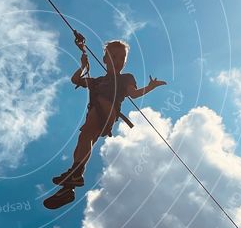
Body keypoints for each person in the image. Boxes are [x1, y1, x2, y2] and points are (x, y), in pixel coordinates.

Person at [44, 39, 166, 209]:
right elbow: (75, 79)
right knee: (84, 139)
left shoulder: (125, 78)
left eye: (121, 58)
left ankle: (75, 174)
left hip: (107, 111)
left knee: (86, 136)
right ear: (105, 60)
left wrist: (150, 87)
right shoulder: (98, 81)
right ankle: (69, 186)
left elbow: (135, 94)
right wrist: (83, 65)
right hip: (97, 115)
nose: (117, 61)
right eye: (113, 57)